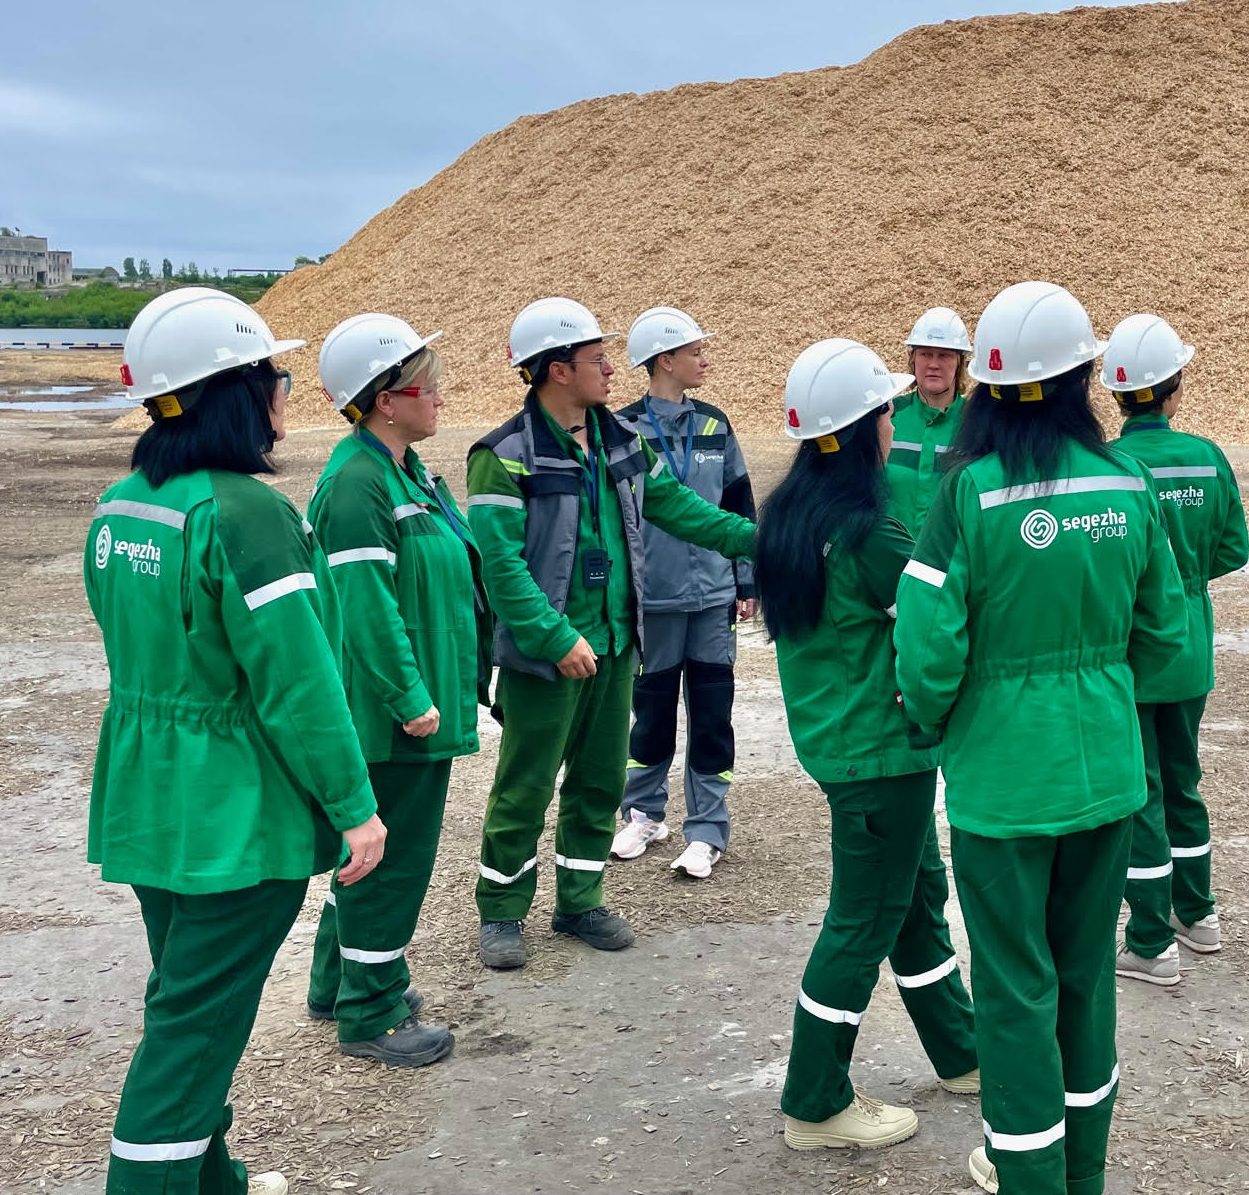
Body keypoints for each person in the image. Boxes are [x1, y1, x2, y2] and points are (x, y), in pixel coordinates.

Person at [86, 288, 381, 1195]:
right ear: (233, 391)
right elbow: (299, 684)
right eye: (274, 374)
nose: (284, 390)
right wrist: (354, 808)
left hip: (148, 800)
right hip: (233, 818)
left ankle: (216, 1180)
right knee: (192, 1027)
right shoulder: (247, 515)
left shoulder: (123, 503)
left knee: (187, 999)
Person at [896, 280, 1188, 1195]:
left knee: (1016, 986)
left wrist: (941, 722)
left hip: (1001, 785)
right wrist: (1100, 691)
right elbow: (1164, 631)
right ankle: (1084, 1175)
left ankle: (1030, 1177)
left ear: (985, 386)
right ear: (1083, 378)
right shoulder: (1126, 482)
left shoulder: (966, 494)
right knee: (1085, 977)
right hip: (1104, 772)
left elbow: (926, 646)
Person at [467, 297, 757, 970]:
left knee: (599, 783)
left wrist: (759, 542)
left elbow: (678, 508)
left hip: (616, 643)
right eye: (597, 358)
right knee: (526, 785)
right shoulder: (504, 455)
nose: (609, 369)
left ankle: (579, 899)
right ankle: (502, 912)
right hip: (550, 656)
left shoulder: (617, 441)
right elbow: (500, 564)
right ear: (557, 370)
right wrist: (551, 635)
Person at [761, 338, 980, 1153]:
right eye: (885, 410)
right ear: (865, 428)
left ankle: (961, 1054)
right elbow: (941, 617)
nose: (895, 421)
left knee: (916, 900)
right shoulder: (871, 532)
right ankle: (815, 1101)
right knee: (861, 923)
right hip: (878, 755)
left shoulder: (794, 512)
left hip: (850, 744)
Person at [303, 314, 489, 1067]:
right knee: (393, 858)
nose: (441, 397)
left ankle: (340, 981)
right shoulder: (355, 483)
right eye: (429, 386)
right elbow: (366, 605)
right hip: (391, 717)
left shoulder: (403, 469)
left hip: (419, 703)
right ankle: (372, 1014)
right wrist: (409, 699)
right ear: (385, 398)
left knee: (372, 859)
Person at [1099, 314, 1249, 988]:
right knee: (1184, 780)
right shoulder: (1208, 456)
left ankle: (1150, 940)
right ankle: (1199, 913)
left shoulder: (1111, 466)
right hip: (1191, 645)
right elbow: (1234, 548)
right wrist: (1185, 582)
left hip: (1131, 651)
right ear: (1175, 389)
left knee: (1143, 795)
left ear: (1115, 396)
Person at [609, 306, 757, 880]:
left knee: (713, 715)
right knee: (649, 714)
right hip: (654, 601)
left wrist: (746, 580)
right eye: (695, 351)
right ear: (664, 361)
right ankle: (644, 813)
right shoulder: (623, 432)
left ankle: (707, 828)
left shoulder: (717, 425)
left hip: (713, 599)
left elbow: (738, 506)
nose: (704, 359)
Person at [886, 306, 973, 540]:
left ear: (960, 364)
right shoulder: (886, 417)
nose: (933, 364)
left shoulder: (977, 424)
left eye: (944, 355)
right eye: (925, 354)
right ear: (913, 360)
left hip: (948, 565)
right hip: (888, 563)